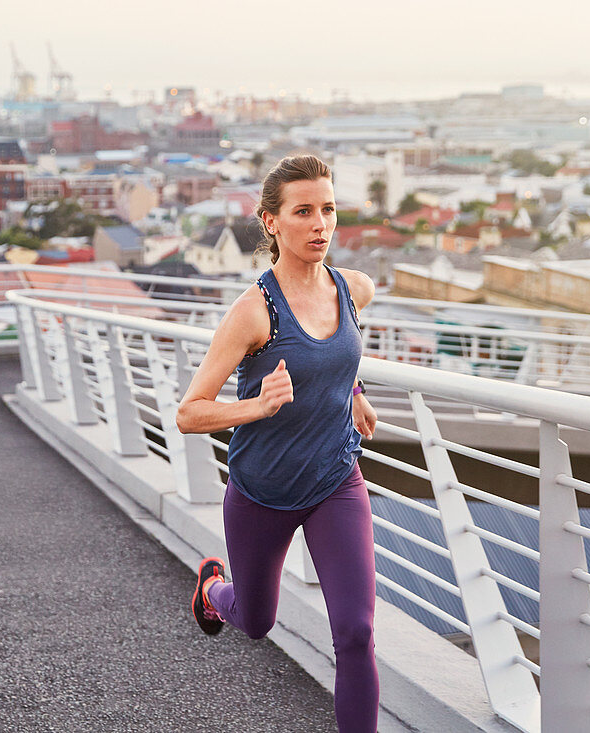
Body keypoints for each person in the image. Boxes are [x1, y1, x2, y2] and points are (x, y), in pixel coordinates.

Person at [176, 154, 379, 732]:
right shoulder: (253, 313)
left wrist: (353, 388)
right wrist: (257, 406)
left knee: (357, 633)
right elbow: (190, 413)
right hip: (260, 492)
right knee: (258, 621)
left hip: (335, 480)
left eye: (329, 210)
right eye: (304, 211)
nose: (320, 224)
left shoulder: (353, 289)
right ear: (271, 222)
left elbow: (344, 346)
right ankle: (214, 590)